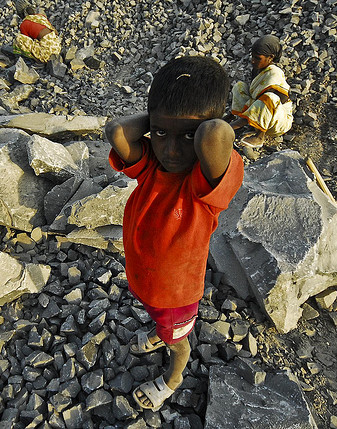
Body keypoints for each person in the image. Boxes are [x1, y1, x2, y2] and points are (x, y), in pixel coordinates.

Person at [105, 56, 244, 411]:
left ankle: (173, 376)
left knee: (178, 340)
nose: (171, 149)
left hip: (176, 293)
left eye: (187, 136)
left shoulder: (203, 186)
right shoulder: (153, 163)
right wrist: (158, 122)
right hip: (145, 279)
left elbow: (217, 135)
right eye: (161, 134)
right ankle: (158, 334)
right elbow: (117, 132)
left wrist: (201, 125)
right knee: (160, 322)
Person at [229, 35, 293, 148]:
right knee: (240, 87)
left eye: (258, 58)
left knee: (269, 97)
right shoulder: (258, 70)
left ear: (270, 58)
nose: (253, 61)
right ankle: (245, 122)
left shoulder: (275, 73)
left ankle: (259, 137)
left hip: (277, 121)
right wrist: (229, 119)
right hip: (260, 115)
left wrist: (233, 126)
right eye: (252, 57)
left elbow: (277, 100)